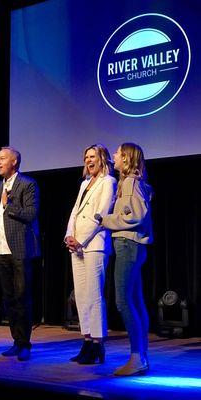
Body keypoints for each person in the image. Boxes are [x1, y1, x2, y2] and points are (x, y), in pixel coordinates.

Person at [100, 143, 153, 376]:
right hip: (131, 245)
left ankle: (136, 357)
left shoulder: (131, 182)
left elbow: (138, 216)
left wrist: (107, 220)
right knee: (135, 301)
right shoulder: (130, 183)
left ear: (127, 158)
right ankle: (141, 356)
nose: (113, 156)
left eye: (117, 153)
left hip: (128, 244)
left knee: (123, 301)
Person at [64, 144, 117, 364]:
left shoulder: (108, 182)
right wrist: (68, 235)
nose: (88, 160)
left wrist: (81, 239)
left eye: (92, 156)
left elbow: (101, 214)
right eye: (86, 156)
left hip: (94, 244)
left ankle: (98, 344)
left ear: (102, 158)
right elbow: (75, 212)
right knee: (82, 296)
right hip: (76, 245)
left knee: (94, 295)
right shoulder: (85, 183)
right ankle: (86, 341)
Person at [0, 146, 40, 361]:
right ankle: (15, 340)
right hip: (1, 249)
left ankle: (25, 344)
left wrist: (9, 206)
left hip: (21, 248)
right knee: (9, 298)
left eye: (2, 158)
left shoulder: (27, 184)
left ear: (14, 161)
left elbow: (31, 214)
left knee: (23, 297)